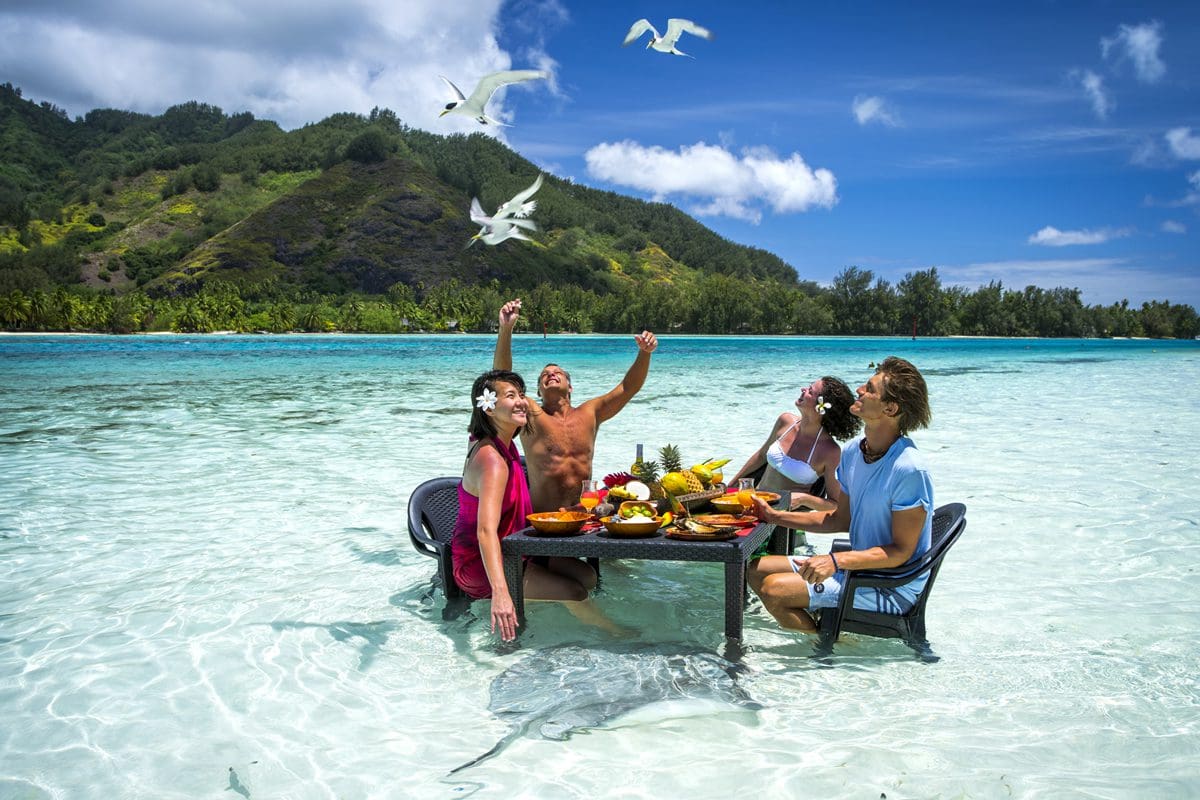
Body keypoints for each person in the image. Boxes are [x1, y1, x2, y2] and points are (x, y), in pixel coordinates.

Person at [746, 357, 934, 633]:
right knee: (754, 569)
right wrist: (775, 516)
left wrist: (834, 561)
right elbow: (839, 520)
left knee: (775, 591)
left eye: (869, 388)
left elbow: (901, 552)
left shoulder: (909, 469)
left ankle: (826, 650)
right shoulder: (853, 453)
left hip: (890, 586)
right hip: (856, 567)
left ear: (890, 408)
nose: (858, 390)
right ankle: (825, 627)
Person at [450, 369, 617, 641]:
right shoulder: (492, 460)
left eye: (521, 395)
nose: (521, 402)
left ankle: (548, 615)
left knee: (586, 577)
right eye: (510, 396)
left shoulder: (504, 444)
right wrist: (502, 593)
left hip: (515, 549)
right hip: (480, 564)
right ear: (489, 408)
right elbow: (485, 532)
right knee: (574, 591)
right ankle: (616, 637)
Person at [492, 298, 658, 512]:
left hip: (585, 517)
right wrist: (506, 329)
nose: (551, 374)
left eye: (557, 372)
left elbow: (628, 388)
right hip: (544, 521)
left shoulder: (590, 412)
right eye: (545, 375)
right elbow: (503, 380)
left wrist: (645, 353)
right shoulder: (531, 414)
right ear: (539, 391)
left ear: (570, 387)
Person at [729, 375, 861, 512]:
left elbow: (835, 504)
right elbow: (761, 456)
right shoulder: (785, 422)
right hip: (753, 508)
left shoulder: (830, 451)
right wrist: (730, 487)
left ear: (821, 407)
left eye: (810, 391)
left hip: (788, 522)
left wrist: (804, 499)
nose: (803, 389)